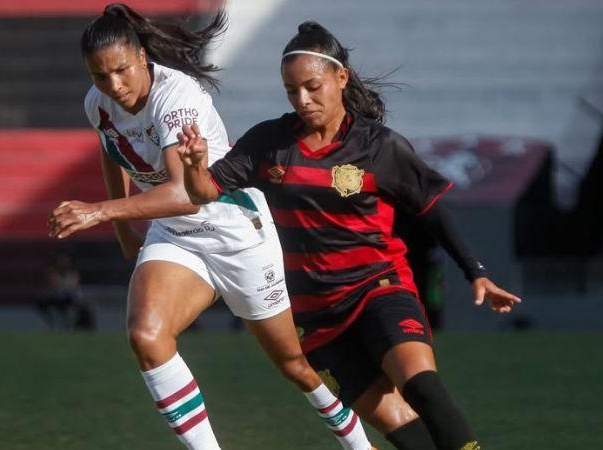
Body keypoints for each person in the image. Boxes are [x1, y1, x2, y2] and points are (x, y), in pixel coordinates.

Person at [178, 21, 522, 450]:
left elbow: (432, 210)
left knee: (423, 389)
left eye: (312, 86)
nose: (302, 100)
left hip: (378, 288)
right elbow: (202, 192)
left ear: (341, 77)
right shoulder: (268, 142)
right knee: (401, 428)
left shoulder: (380, 147)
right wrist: (193, 165)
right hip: (314, 316)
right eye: (291, 91)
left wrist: (476, 271)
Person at [47, 5, 373, 449]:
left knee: (296, 365)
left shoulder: (176, 97)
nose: (113, 86)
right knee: (147, 335)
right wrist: (125, 229)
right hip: (175, 234)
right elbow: (111, 148)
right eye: (100, 76)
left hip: (235, 231)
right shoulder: (98, 102)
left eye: (121, 71)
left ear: (142, 56)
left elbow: (187, 193)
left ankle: (359, 444)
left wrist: (102, 212)